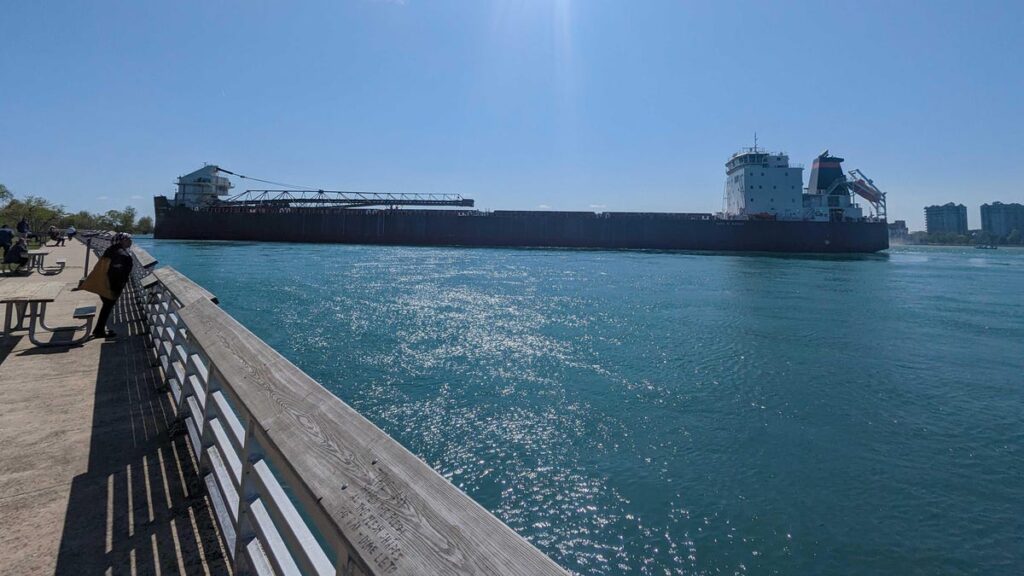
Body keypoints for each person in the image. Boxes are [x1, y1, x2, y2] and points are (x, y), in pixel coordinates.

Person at [93, 232, 134, 339]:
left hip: (102, 283)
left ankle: (99, 329)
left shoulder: (110, 250)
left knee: (106, 307)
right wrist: (118, 286)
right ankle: (99, 331)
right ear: (123, 241)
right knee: (107, 307)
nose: (131, 241)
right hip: (111, 286)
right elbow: (118, 272)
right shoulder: (122, 254)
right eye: (129, 239)